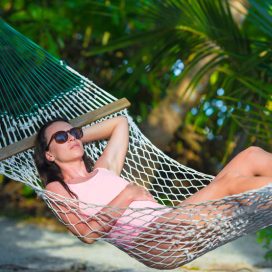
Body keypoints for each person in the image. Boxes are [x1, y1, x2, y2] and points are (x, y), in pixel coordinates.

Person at [34, 115, 272, 267]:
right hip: (152, 242)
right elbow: (86, 234)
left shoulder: (104, 170)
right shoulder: (57, 188)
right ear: (49, 154)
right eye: (62, 137)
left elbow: (120, 123)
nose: (72, 138)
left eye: (74, 133)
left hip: (169, 222)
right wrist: (128, 194)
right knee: (228, 186)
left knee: (249, 156)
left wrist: (76, 135)